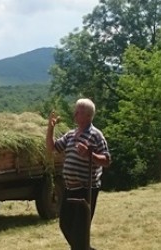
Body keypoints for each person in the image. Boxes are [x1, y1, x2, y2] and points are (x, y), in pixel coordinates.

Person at [46, 98, 111, 250]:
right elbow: (52, 148)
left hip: (86, 190)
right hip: (70, 189)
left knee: (80, 231)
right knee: (65, 225)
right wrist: (50, 128)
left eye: (80, 112)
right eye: (76, 110)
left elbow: (107, 160)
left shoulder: (96, 135)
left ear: (89, 116)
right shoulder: (71, 134)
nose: (75, 114)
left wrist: (91, 155)